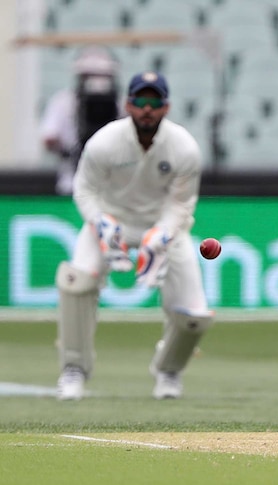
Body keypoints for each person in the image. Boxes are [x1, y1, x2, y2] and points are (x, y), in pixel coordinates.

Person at [55, 71, 214, 401]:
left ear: (166, 108)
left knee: (195, 316)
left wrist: (163, 234)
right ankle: (74, 369)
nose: (147, 109)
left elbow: (181, 203)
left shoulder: (183, 147)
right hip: (110, 223)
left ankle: (168, 371)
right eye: (140, 101)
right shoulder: (104, 143)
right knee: (76, 283)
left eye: (154, 102)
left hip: (162, 229)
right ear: (127, 104)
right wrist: (101, 224)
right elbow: (84, 191)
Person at [40, 45, 122, 195]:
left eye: (102, 76)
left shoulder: (120, 105)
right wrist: (68, 148)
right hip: (73, 181)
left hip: (112, 185)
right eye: (90, 76)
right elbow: (48, 138)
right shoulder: (63, 102)